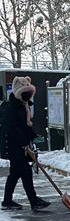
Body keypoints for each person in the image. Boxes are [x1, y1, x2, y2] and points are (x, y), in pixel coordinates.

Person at [0, 76, 50, 211]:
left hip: (19, 146)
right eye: (25, 93)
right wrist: (22, 142)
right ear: (18, 92)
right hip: (13, 147)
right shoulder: (11, 108)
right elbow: (12, 129)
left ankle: (7, 201)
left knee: (15, 174)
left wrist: (33, 136)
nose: (28, 96)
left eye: (29, 93)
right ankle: (34, 201)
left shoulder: (23, 105)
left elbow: (24, 127)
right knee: (26, 172)